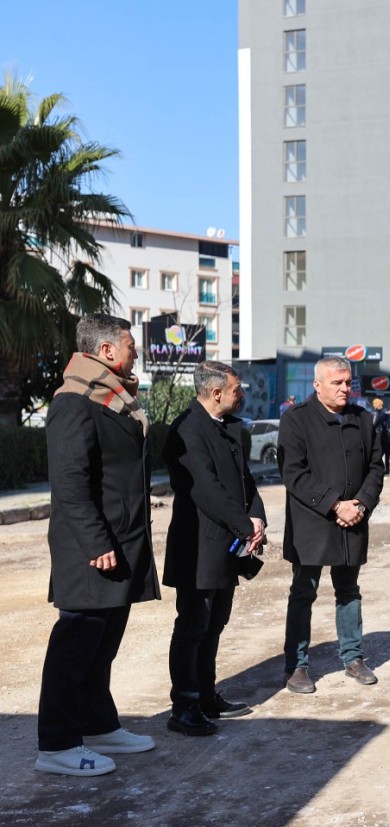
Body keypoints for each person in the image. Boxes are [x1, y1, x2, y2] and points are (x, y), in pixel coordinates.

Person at [37, 315, 160, 775]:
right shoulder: (74, 402)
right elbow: (68, 483)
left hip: (119, 539)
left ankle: (97, 723)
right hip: (91, 545)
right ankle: (56, 744)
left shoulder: (111, 400)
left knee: (103, 642)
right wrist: (94, 541)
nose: (135, 352)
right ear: (106, 351)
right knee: (76, 642)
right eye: (129, 344)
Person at [162, 361, 266, 736]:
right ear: (216, 392)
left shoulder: (227, 429)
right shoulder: (187, 429)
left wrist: (257, 518)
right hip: (198, 547)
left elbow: (245, 480)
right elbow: (205, 489)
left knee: (214, 624)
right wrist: (244, 524)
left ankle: (206, 694)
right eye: (238, 389)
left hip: (227, 545)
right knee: (193, 625)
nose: (243, 395)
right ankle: (184, 704)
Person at [278, 357, 387, 693]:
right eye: (337, 383)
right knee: (303, 592)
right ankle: (296, 665)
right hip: (312, 521)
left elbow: (375, 467)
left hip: (353, 519)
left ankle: (353, 657)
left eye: (348, 382)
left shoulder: (363, 419)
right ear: (317, 385)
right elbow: (293, 473)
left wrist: (362, 504)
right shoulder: (296, 420)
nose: (345, 389)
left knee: (349, 591)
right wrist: (334, 504)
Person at [372, 397, 390, 474]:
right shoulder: (379, 413)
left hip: (385, 437)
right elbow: (374, 425)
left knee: (386, 455)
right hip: (382, 437)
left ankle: (387, 470)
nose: (382, 406)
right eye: (380, 405)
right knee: (380, 454)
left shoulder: (381, 413)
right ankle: (379, 469)